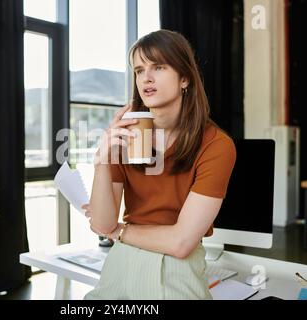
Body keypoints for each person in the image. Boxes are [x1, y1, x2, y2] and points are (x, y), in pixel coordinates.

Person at [82, 29, 236, 300]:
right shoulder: (128, 136)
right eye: (139, 70)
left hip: (178, 268)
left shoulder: (216, 145)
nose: (146, 78)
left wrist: (119, 230)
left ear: (185, 78)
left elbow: (180, 243)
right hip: (121, 263)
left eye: (159, 67)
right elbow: (103, 222)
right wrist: (102, 160)